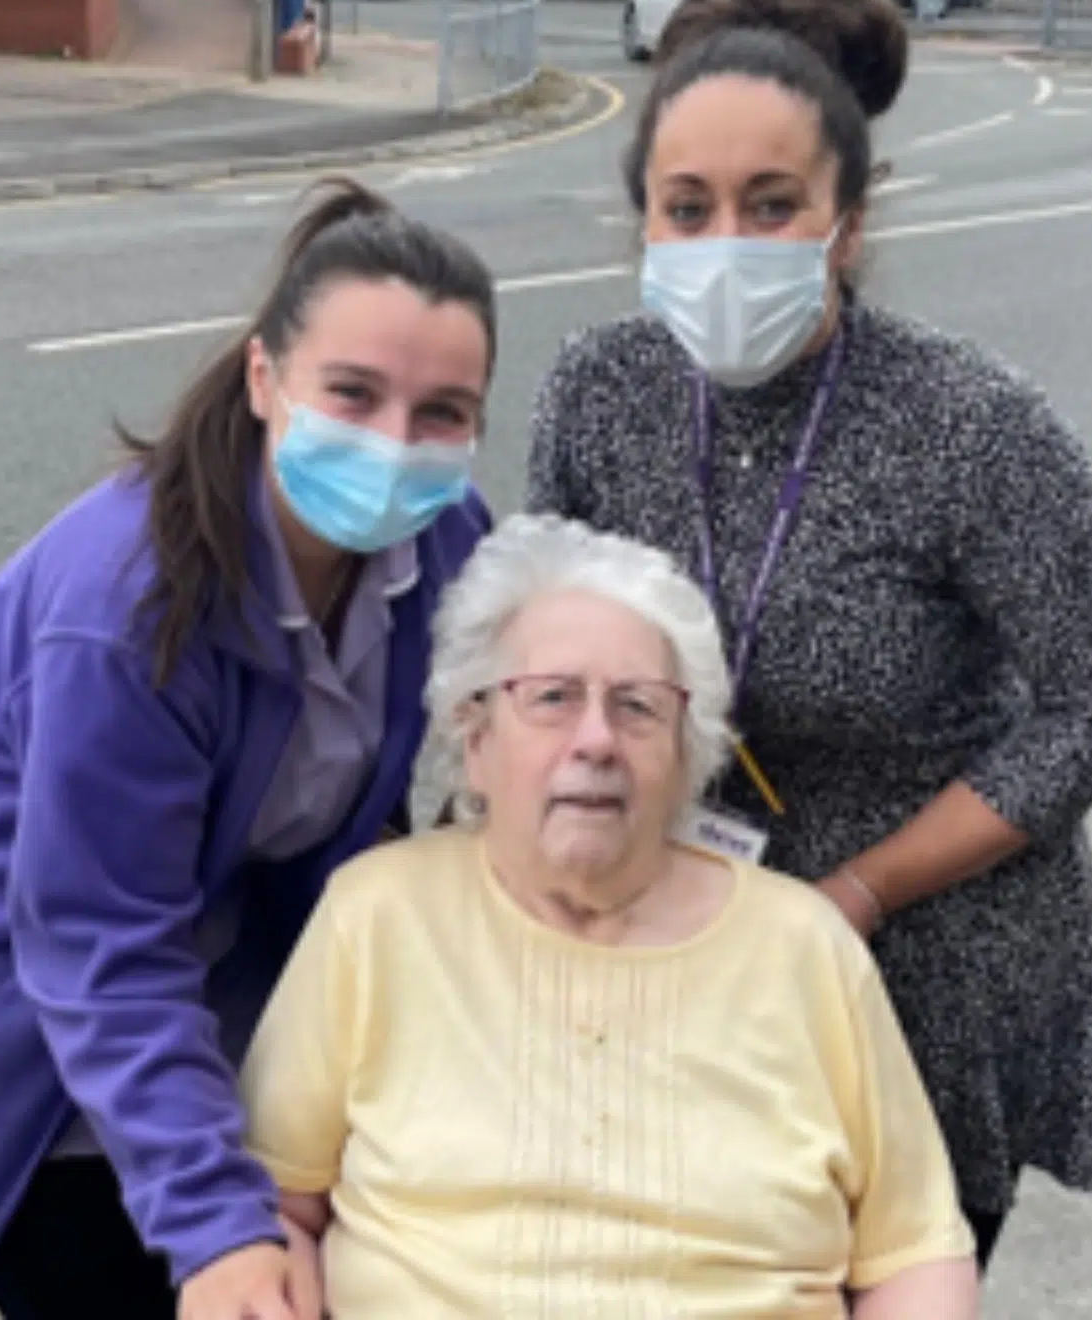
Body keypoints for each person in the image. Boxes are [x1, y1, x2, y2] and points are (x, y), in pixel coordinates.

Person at [0, 179, 499, 1320]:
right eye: (352, 393)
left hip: (194, 969)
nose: (395, 444)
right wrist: (213, 1228)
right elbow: (99, 936)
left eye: (442, 412)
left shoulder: (448, 541)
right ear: (264, 379)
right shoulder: (129, 603)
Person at [524, 0, 1092, 1269]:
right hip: (673, 952)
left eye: (774, 209)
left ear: (849, 225)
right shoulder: (598, 392)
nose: (726, 244)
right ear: (642, 219)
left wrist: (861, 892)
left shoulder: (967, 423)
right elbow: (538, 658)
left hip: (920, 966)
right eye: (688, 208)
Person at [236, 514, 981, 1318]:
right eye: (552, 698)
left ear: (685, 758)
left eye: (637, 707)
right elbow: (276, 1205)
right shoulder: (376, 914)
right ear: (476, 739)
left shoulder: (804, 946)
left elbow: (915, 1255)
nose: (596, 739)